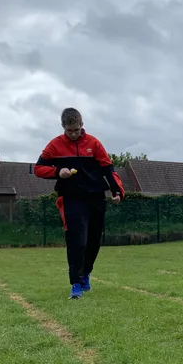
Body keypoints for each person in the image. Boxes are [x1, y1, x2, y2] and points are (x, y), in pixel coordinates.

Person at [34, 108, 126, 298]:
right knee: (77, 241)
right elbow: (38, 168)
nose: (74, 134)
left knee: (93, 242)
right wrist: (58, 172)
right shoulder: (55, 145)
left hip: (96, 198)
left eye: (77, 130)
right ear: (63, 128)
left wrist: (117, 191)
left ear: (82, 125)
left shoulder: (94, 143)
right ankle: (75, 284)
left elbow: (108, 169)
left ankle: (85, 275)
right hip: (71, 199)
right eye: (70, 131)